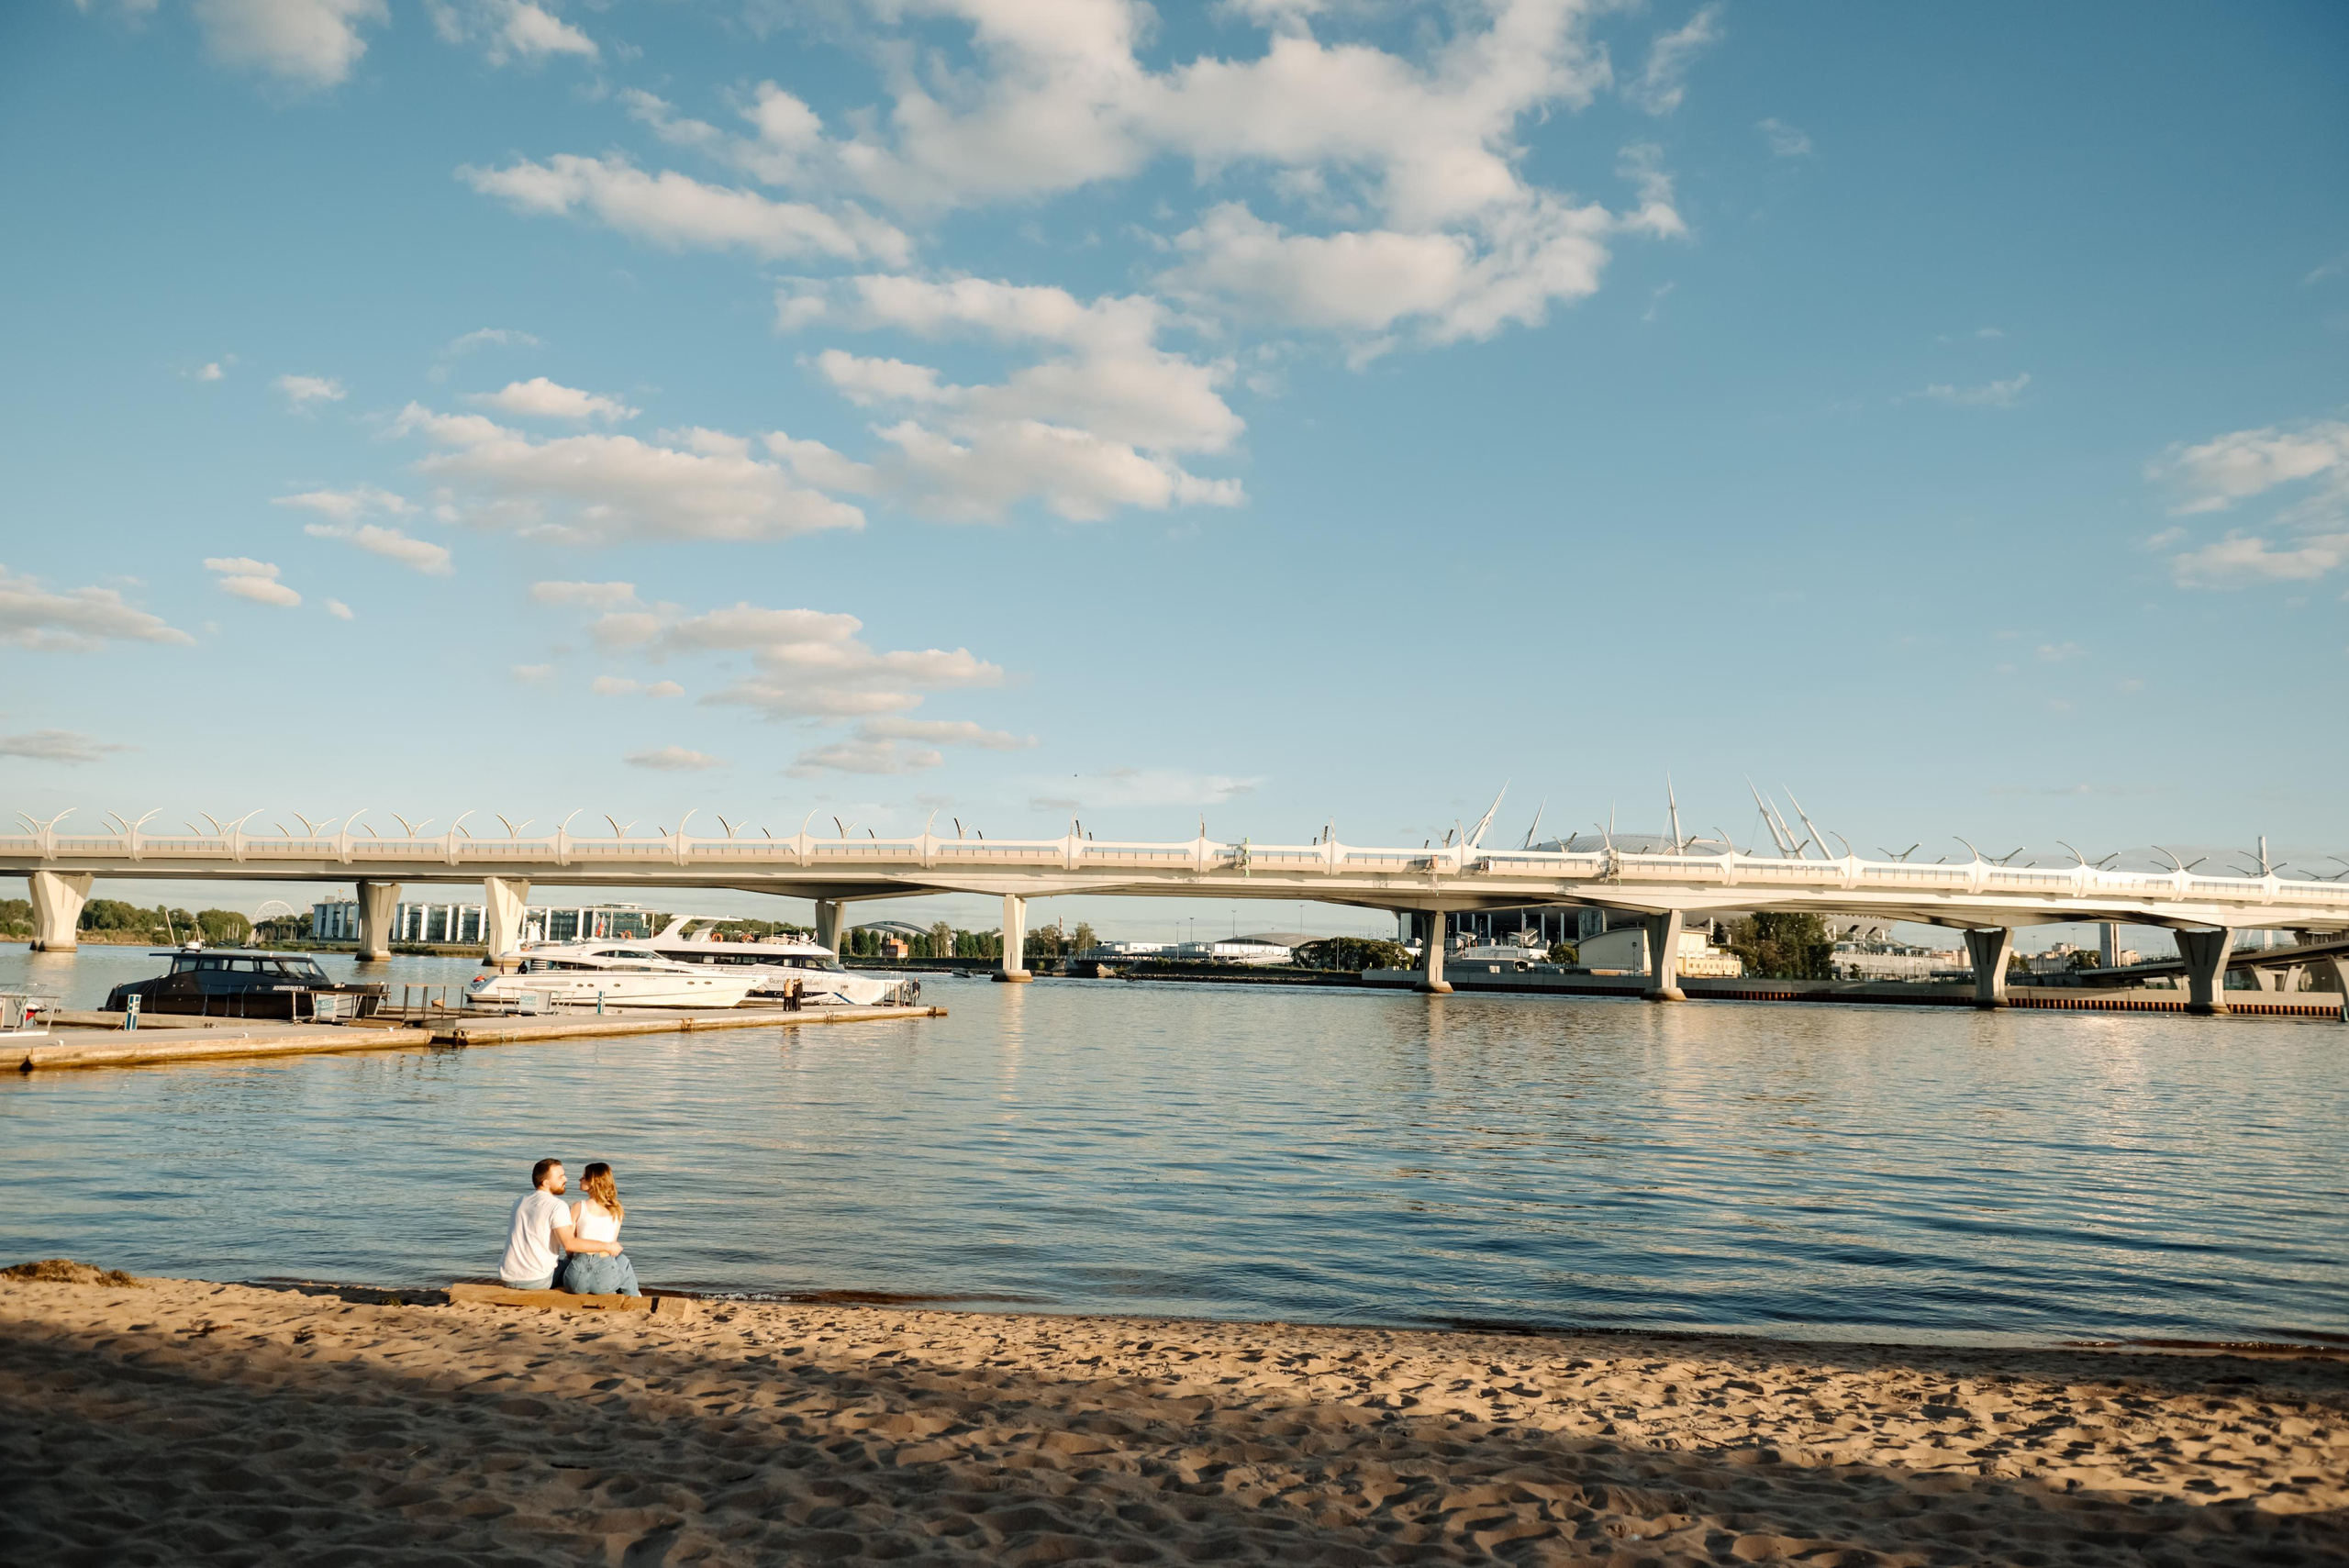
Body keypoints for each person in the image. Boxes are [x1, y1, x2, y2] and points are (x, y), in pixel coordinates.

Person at [497, 1158, 621, 1290]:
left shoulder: (519, 1201)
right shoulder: (557, 1206)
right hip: (537, 1280)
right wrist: (609, 1246)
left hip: (507, 1277)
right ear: (546, 1183)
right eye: (560, 1177)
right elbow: (569, 1244)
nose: (566, 1179)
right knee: (580, 1266)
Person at [559, 1162, 640, 1296]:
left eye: (584, 1177)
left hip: (575, 1282)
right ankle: (634, 1297)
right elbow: (612, 1248)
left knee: (566, 1262)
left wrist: (572, 1260)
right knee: (623, 1261)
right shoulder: (617, 1210)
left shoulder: (578, 1207)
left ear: (593, 1182)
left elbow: (570, 1248)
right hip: (603, 1281)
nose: (580, 1179)